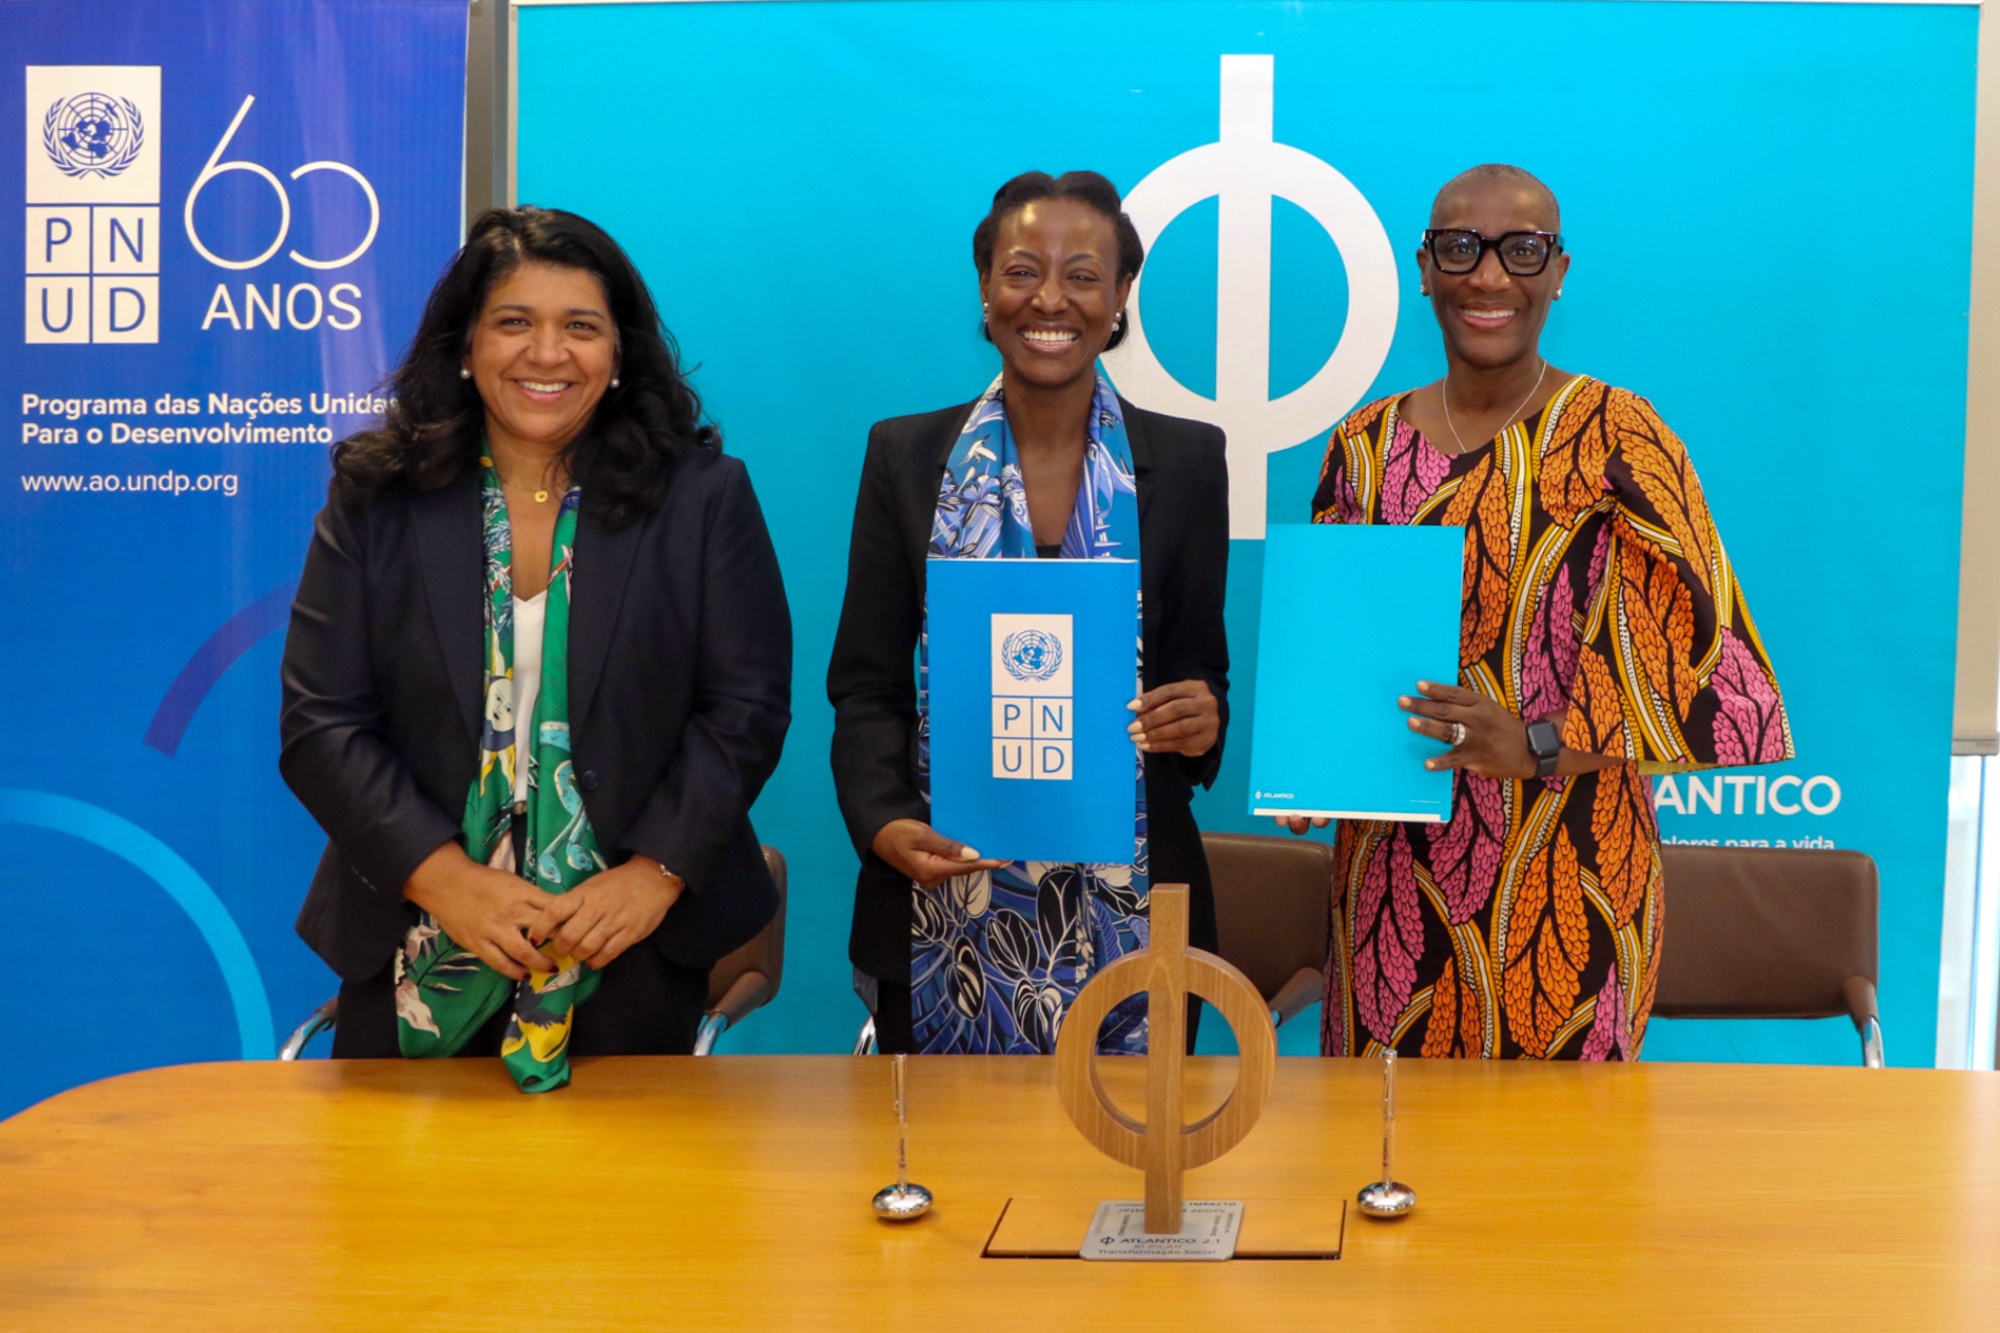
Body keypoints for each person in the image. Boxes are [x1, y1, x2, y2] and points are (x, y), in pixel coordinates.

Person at [1286, 164, 1792, 1060]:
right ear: (1425, 268)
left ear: (1558, 272)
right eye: (1460, 249)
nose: (1489, 277)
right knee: (1381, 1130)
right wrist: (1318, 764)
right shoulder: (1363, 443)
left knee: (1563, 1145)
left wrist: (1533, 745)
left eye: (1521, 251)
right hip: (1390, 886)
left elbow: (1708, 671)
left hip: (1571, 878)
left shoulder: (1619, 434)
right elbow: (1338, 649)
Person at [280, 207, 791, 1090]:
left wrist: (655, 872)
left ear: (619, 352)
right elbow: (321, 723)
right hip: (415, 933)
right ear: (466, 345)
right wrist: (444, 878)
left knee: (618, 1180)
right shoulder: (375, 498)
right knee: (396, 1183)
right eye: (514, 321)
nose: (547, 353)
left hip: (623, 940)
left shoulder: (702, 498)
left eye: (580, 327)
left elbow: (745, 707)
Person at [829, 171, 1230, 1055]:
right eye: (1021, 271)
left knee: (1130, 1147)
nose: (1050, 298)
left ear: (1120, 296)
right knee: (947, 1144)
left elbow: (1202, 673)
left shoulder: (1189, 461)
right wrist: (884, 820)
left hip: (1139, 910)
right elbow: (865, 685)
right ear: (985, 286)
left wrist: (1201, 716)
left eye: (1082, 275)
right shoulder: (905, 455)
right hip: (939, 896)